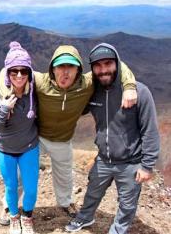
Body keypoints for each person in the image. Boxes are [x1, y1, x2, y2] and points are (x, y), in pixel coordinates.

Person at [0, 45, 138, 218]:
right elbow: (7, 69)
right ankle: (8, 205)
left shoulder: (87, 84)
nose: (65, 72)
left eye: (70, 67)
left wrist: (130, 86)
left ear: (78, 69)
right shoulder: (40, 81)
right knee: (20, 176)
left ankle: (65, 203)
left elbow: (117, 65)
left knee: (64, 176)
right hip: (36, 139)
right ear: (52, 69)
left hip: (63, 140)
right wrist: (5, 97)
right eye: (60, 67)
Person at [65, 43, 160, 234]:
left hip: (130, 162)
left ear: (117, 63)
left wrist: (147, 166)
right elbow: (76, 107)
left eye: (108, 63)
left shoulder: (139, 92)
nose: (103, 70)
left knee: (127, 204)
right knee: (92, 193)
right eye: (98, 66)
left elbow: (150, 131)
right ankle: (85, 218)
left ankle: (117, 231)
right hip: (103, 159)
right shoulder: (94, 91)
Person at [0, 41, 39, 234]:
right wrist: (4, 109)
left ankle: (27, 217)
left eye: (24, 70)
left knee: (31, 188)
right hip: (5, 149)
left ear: (29, 72)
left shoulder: (34, 93)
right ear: (8, 73)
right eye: (14, 71)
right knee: (11, 187)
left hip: (29, 147)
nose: (19, 75)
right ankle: (14, 217)